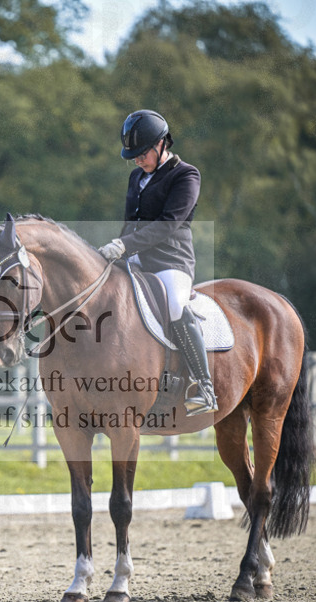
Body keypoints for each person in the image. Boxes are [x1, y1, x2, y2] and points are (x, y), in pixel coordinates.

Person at [98, 109, 217, 415]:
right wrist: (114, 251)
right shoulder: (136, 177)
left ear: (162, 144)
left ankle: (203, 386)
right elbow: (131, 221)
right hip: (134, 259)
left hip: (171, 262)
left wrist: (124, 245)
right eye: (132, 155)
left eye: (142, 153)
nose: (137, 160)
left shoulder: (186, 175)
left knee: (175, 305)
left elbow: (168, 224)